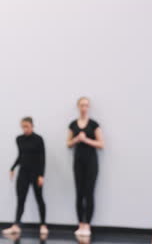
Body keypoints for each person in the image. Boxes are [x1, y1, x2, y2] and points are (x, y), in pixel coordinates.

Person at [2, 117, 48, 236]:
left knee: (39, 198)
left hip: (35, 173)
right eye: (23, 126)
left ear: (32, 126)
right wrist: (12, 168)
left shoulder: (38, 139)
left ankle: (43, 224)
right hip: (23, 173)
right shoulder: (19, 139)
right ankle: (16, 225)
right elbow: (21, 155)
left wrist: (41, 175)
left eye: (27, 126)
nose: (25, 129)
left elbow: (42, 158)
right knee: (21, 199)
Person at [67, 97, 104, 237]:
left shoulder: (94, 124)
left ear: (89, 107)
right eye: (82, 105)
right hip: (78, 162)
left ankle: (87, 224)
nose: (84, 108)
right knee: (79, 193)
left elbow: (101, 144)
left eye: (86, 105)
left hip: (91, 162)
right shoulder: (73, 125)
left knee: (89, 193)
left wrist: (86, 139)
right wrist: (77, 139)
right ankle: (80, 224)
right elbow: (68, 143)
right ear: (78, 106)